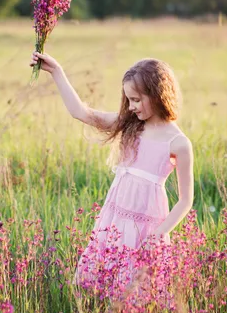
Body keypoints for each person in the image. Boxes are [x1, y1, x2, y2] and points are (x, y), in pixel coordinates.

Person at [29, 51, 194, 289]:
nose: (131, 106)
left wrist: (159, 234)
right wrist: (56, 72)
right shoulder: (130, 126)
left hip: (146, 227)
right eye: (128, 99)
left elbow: (186, 200)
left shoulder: (178, 143)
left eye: (136, 100)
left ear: (157, 95)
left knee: (136, 290)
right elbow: (81, 113)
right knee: (99, 282)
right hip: (114, 220)